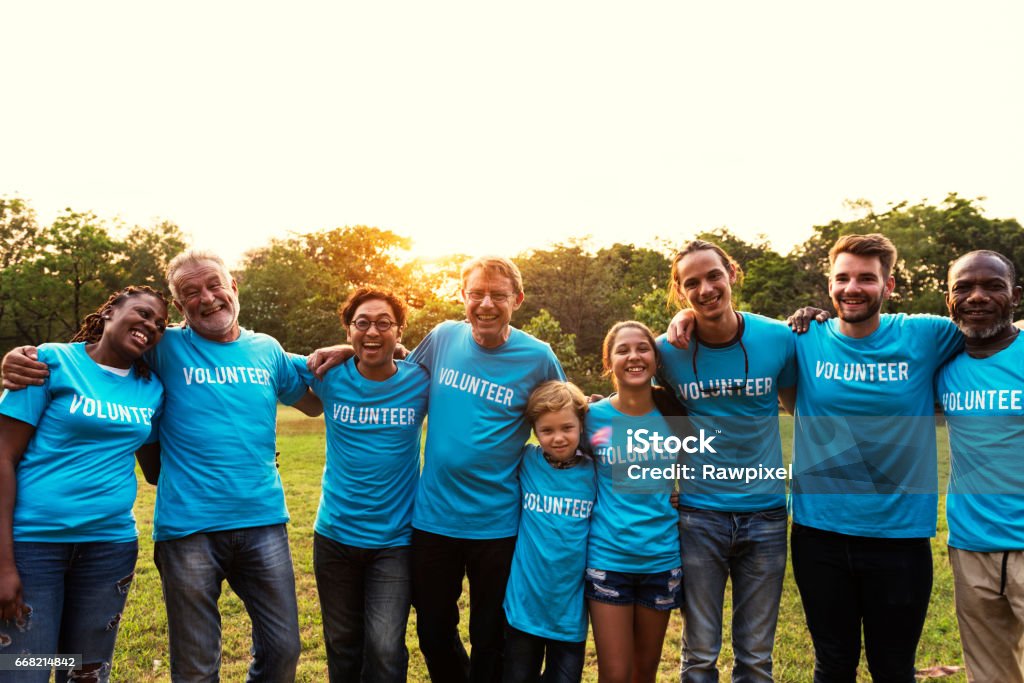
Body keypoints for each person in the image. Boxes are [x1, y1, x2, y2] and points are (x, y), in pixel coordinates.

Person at [2, 249, 322, 683]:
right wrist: (19, 358)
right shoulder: (158, 345)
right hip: (175, 530)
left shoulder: (266, 350)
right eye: (190, 292)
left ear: (234, 287)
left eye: (214, 285)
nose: (207, 298)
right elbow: (97, 355)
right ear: (179, 307)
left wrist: (365, 349)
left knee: (282, 648)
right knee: (33, 666)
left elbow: (315, 397)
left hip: (243, 522)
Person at [311, 255, 565, 682]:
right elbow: (402, 364)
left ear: (517, 299)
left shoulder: (537, 356)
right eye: (476, 294)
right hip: (432, 521)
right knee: (432, 632)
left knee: (490, 635)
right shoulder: (445, 337)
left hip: (498, 524)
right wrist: (350, 347)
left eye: (498, 295)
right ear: (462, 297)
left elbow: (563, 413)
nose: (486, 304)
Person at [786, 234, 961, 682]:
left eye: (867, 278)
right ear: (828, 284)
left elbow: (995, 328)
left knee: (894, 668)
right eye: (842, 277)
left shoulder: (926, 333)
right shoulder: (804, 338)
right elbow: (731, 330)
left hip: (900, 538)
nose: (852, 287)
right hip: (818, 535)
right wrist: (684, 318)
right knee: (833, 664)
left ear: (889, 285)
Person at [0, 286, 168, 683]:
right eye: (142, 313)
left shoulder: (151, 389)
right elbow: (3, 457)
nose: (150, 326)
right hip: (33, 547)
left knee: (85, 673)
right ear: (110, 311)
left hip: (108, 549)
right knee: (25, 670)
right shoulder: (50, 362)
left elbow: (156, 470)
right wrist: (3, 563)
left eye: (160, 324)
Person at [658, 240, 795, 683]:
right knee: (698, 655)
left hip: (767, 515)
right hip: (699, 516)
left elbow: (798, 406)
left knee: (756, 659)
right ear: (680, 292)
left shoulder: (777, 338)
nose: (705, 289)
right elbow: (632, 386)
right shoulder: (667, 351)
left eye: (713, 276)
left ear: (732, 273)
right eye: (691, 283)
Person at [293, 287, 429, 683]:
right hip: (334, 536)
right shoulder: (326, 374)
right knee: (342, 641)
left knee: (386, 645)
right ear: (348, 329)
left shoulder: (420, 381)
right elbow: (265, 361)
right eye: (362, 323)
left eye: (384, 323)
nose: (373, 331)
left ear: (400, 330)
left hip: (395, 541)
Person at [936, 250, 1024, 682]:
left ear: (1016, 296)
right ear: (948, 299)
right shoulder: (941, 362)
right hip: (970, 547)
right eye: (963, 287)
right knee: (991, 675)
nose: (977, 297)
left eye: (993, 286)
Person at [585, 321, 685, 683]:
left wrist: (683, 495)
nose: (633, 356)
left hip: (661, 559)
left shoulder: (674, 416)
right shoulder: (593, 417)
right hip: (609, 557)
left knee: (644, 674)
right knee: (614, 675)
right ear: (608, 361)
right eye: (622, 350)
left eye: (642, 348)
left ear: (656, 359)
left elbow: (699, 469)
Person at [502, 380, 596, 683]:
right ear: (534, 430)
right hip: (523, 609)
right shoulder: (526, 461)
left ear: (582, 424)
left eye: (567, 428)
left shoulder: (596, 471)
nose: (558, 438)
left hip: (569, 615)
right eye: (547, 430)